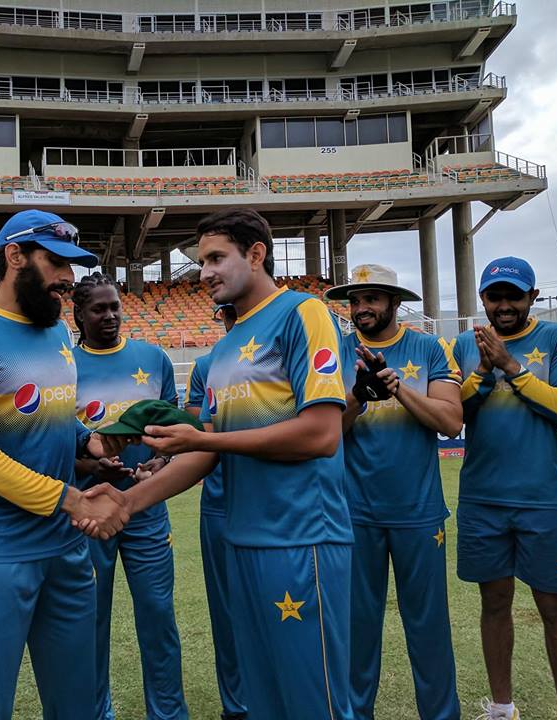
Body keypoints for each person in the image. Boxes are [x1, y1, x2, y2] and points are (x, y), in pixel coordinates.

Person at [81, 207, 354, 720]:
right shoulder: (227, 345)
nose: (203, 272)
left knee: (313, 701)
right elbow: (202, 450)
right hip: (242, 542)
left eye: (215, 258)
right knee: (264, 699)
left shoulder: (304, 313)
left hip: (302, 538)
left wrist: (210, 439)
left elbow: (321, 433)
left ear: (256, 254)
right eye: (201, 260)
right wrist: (125, 501)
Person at [0, 209, 130, 720]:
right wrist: (72, 499)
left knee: (76, 700)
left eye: (73, 264)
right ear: (14, 256)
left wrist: (97, 445)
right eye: (56, 261)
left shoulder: (59, 333)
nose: (69, 278)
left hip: (65, 544)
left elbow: (61, 419)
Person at [324, 265, 462, 720]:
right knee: (357, 631)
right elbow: (325, 434)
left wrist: (398, 388)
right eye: (356, 300)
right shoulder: (338, 351)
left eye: (372, 298)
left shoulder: (427, 347)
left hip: (418, 513)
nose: (361, 308)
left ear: (394, 302)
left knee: (428, 629)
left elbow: (450, 422)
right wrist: (358, 398)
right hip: (354, 513)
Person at [452, 257, 557, 720]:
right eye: (494, 296)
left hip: (541, 500)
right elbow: (454, 418)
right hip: (482, 499)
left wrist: (512, 366)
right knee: (494, 603)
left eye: (514, 295)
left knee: (554, 606)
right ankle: (502, 708)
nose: (504, 305)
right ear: (483, 299)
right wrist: (486, 372)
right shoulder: (463, 346)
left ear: (533, 297)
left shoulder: (556, 338)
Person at [70, 272, 188, 720]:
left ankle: (169, 713)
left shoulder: (153, 359)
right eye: (99, 309)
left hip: (148, 508)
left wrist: (158, 464)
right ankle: (96, 712)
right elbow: (60, 440)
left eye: (115, 306)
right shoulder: (63, 367)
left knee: (158, 616)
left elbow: (174, 432)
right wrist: (91, 465)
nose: (110, 316)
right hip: (90, 512)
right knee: (90, 620)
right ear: (78, 314)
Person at [183, 303, 247, 720]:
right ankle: (237, 707)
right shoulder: (207, 364)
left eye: (237, 313)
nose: (232, 320)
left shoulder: (279, 351)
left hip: (273, 505)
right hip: (221, 504)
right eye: (226, 314)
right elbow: (198, 435)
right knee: (226, 616)